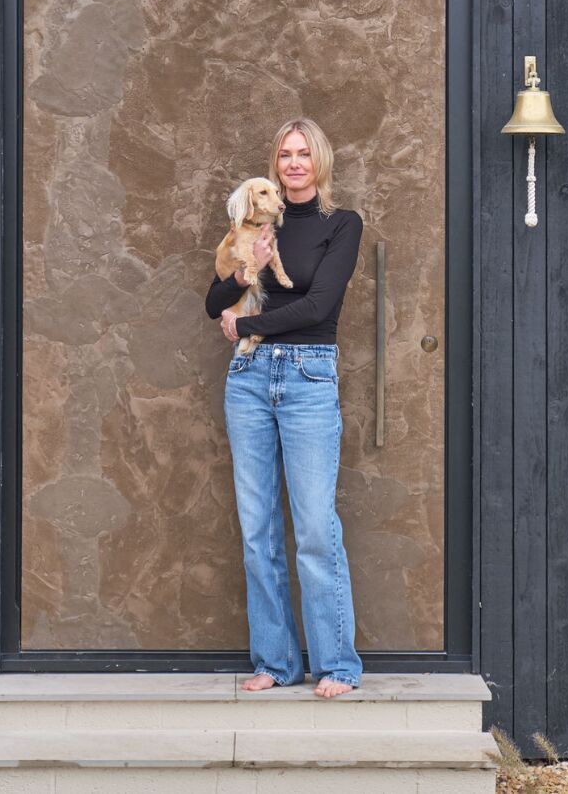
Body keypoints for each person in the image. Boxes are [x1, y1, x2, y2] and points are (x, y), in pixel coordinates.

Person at [204, 118, 364, 699]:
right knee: (257, 530)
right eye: (284, 155)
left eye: (303, 154)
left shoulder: (341, 225)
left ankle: (338, 665)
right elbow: (213, 300)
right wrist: (248, 269)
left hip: (308, 373)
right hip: (247, 379)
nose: (293, 164)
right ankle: (276, 660)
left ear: (318, 162)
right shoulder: (251, 223)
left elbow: (319, 306)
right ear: (274, 166)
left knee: (316, 528)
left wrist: (246, 323)